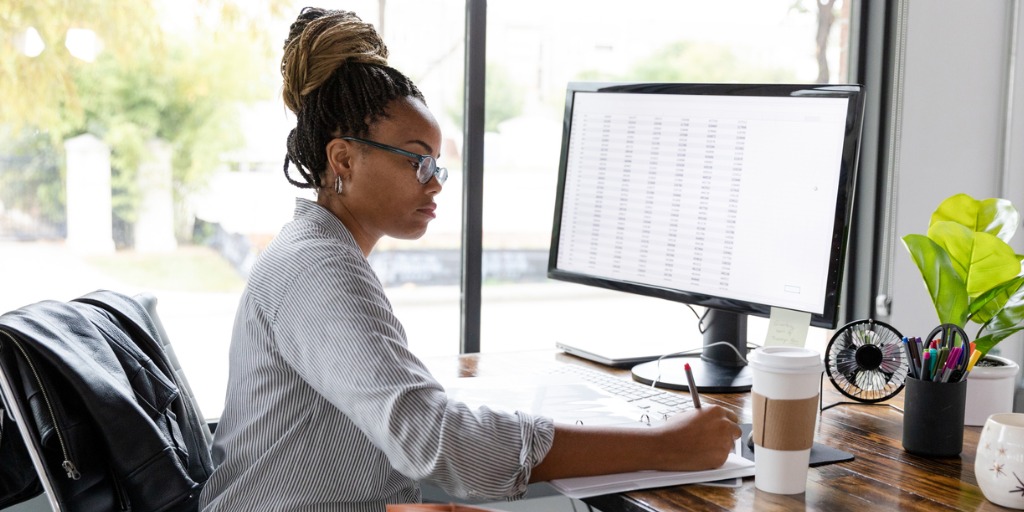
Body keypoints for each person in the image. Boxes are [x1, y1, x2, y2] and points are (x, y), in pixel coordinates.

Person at [198, 7, 741, 512]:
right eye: (416, 161)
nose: (435, 183)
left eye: (437, 164)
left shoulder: (319, 252)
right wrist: (666, 446)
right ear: (343, 158)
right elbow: (437, 441)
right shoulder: (316, 267)